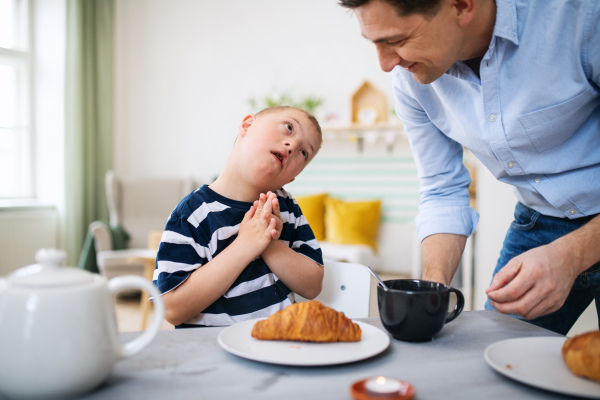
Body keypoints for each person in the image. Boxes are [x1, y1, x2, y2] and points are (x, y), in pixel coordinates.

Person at [339, 0, 600, 334]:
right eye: (374, 43)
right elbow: (442, 189)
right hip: (540, 221)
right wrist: (431, 289)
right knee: (494, 360)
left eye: (398, 40)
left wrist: (571, 256)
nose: (386, 65)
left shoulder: (579, 17)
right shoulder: (411, 81)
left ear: (461, 6)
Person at [153, 106, 325, 328]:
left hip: (280, 346)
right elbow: (172, 309)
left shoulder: (287, 207)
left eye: (304, 153)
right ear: (247, 125)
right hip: (213, 354)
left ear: (292, 178)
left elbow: (313, 286)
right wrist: (245, 245)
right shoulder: (192, 213)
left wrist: (271, 245)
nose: (293, 146)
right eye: (289, 127)